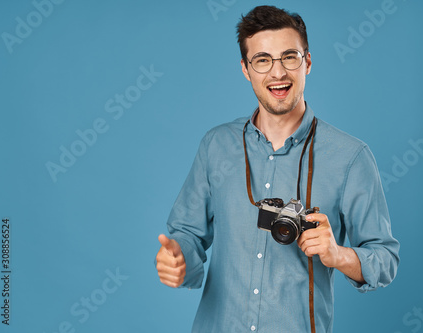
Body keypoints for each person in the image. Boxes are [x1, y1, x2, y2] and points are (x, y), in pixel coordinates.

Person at [156, 5, 399, 332]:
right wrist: (179, 261)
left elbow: (384, 260)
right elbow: (187, 235)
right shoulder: (217, 146)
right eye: (262, 60)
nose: (278, 73)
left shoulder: (351, 157)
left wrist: (337, 254)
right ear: (245, 69)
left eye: (289, 57)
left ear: (307, 62)